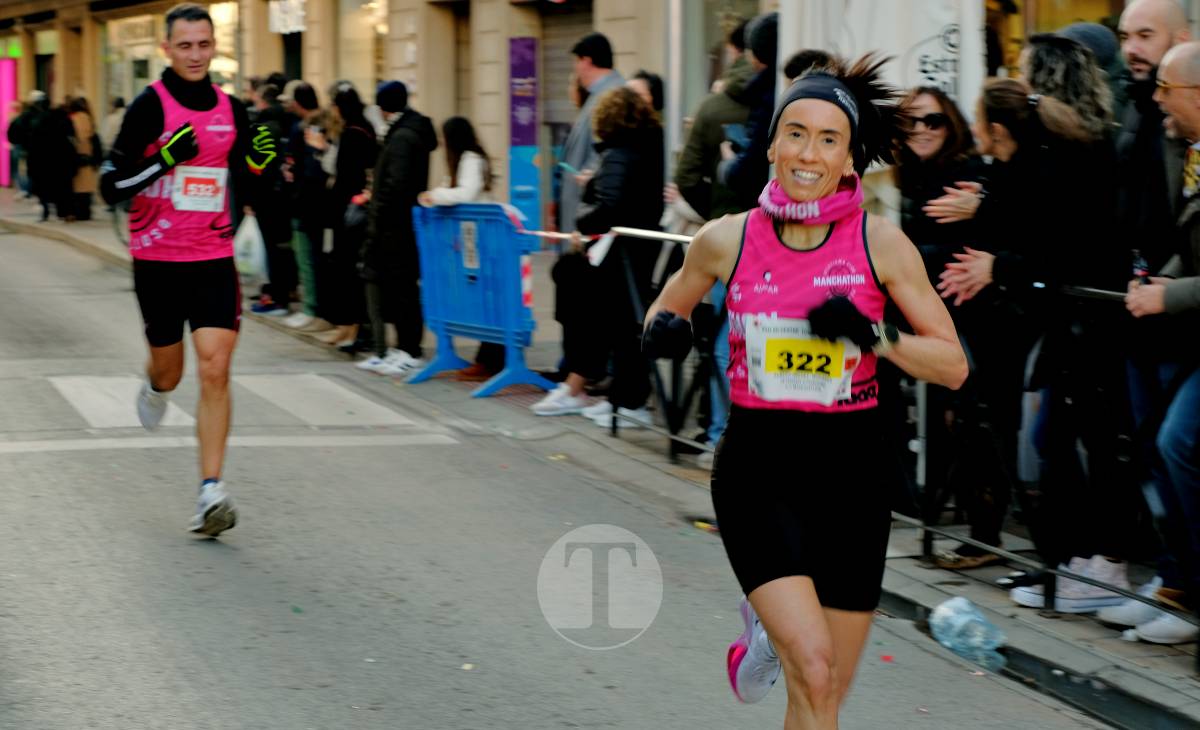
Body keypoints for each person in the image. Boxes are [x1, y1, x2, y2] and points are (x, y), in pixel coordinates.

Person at [642, 55, 968, 723]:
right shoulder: (724, 239)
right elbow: (663, 311)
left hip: (854, 476)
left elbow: (953, 364)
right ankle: (774, 625)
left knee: (824, 692)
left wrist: (874, 335)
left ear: (850, 160)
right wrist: (666, 332)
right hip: (758, 469)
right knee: (815, 667)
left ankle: (771, 634)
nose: (808, 154)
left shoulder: (882, 245)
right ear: (771, 145)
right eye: (795, 133)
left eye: (828, 139)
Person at [99, 2, 280, 537]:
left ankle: (211, 491)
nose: (195, 55)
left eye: (204, 44)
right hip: (157, 261)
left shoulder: (231, 108)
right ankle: (155, 388)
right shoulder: (148, 107)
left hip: (213, 257)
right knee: (171, 372)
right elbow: (111, 186)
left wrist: (260, 165)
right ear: (167, 49)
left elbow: (244, 183)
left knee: (216, 369)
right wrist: (163, 160)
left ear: (214, 46)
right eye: (185, 45)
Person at [1114, 39, 1200, 645]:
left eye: (1168, 89)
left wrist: (1168, 297)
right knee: (1168, 444)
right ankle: (1183, 582)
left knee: (1177, 441)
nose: (1158, 99)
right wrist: (1158, 281)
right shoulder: (1186, 149)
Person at [532, 87, 665, 419]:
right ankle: (617, 396)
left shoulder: (618, 154)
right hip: (632, 253)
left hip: (619, 256)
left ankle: (606, 394)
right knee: (620, 326)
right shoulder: (644, 148)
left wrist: (582, 217)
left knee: (608, 321)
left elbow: (609, 207)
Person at [357, 80, 436, 378]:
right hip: (398, 223)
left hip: (396, 225)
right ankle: (404, 347)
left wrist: (378, 214)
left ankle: (410, 349)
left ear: (384, 107)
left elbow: (396, 184)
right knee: (399, 287)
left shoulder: (403, 136)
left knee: (403, 288)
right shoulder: (406, 131)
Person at [417, 116, 500, 381]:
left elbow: (465, 194)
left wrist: (434, 196)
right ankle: (488, 359)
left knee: (486, 298)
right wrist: (435, 194)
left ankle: (490, 360)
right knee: (481, 297)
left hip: (480, 239)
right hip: (472, 239)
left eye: (444, 137)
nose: (441, 143)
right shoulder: (465, 161)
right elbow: (451, 189)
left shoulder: (471, 160)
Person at [558, 33, 624, 233]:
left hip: (591, 216)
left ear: (586, 61)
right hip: (585, 213)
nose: (576, 70)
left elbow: (604, 154)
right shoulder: (600, 95)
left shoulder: (611, 96)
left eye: (576, 63)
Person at [717, 12, 778, 210]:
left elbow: (750, 168)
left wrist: (728, 165)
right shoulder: (774, 90)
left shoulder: (766, 96)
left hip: (763, 205)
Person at [66, 96, 100, 221]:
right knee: (86, 187)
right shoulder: (88, 118)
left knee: (77, 186)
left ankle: (78, 211)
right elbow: (93, 137)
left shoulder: (71, 118)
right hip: (88, 156)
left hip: (75, 156)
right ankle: (86, 212)